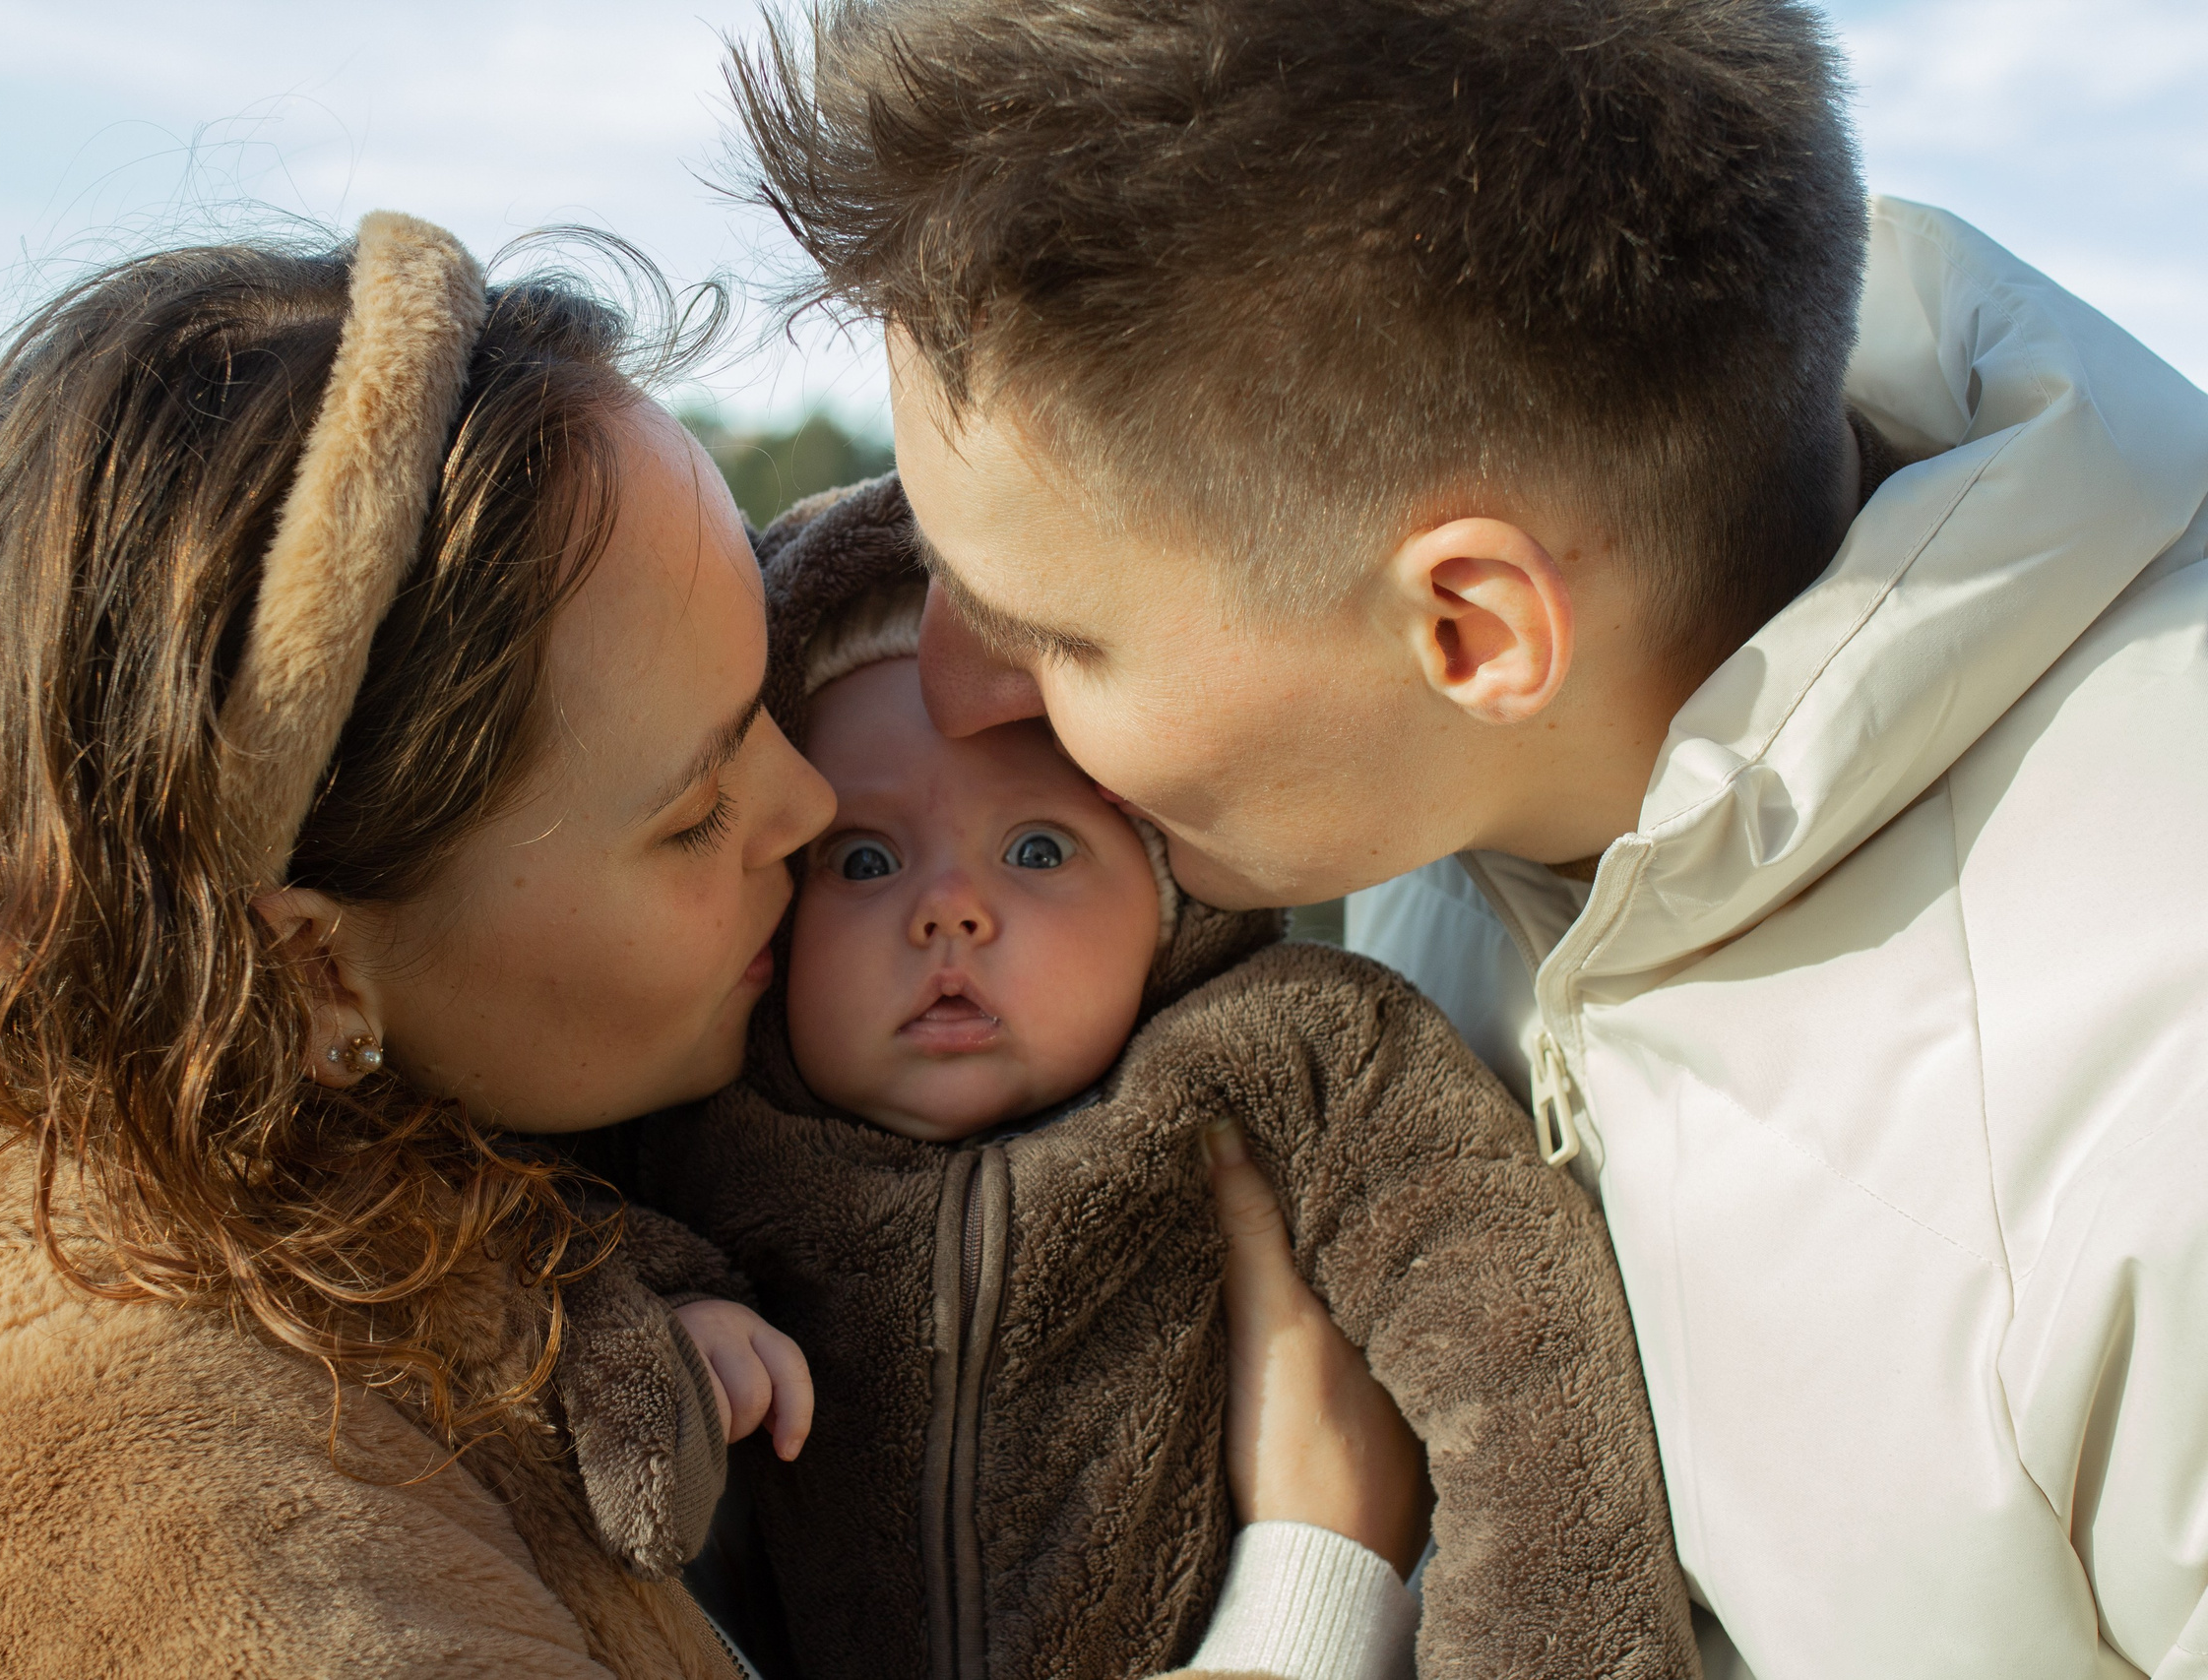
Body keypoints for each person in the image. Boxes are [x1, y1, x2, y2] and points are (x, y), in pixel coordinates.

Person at [0, 213, 1427, 1679]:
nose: (813, 803)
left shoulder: (325, 1161)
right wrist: (1314, 1571)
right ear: (314, 971)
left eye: (770, 698)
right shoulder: (130, 1519)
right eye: (693, 808)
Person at [732, 2, 2208, 1676]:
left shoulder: (2155, 1122)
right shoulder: (1445, 778)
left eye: (1059, 635)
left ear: (1473, 633)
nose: (950, 689)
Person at [632, 487, 1693, 1680]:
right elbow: (542, 1251)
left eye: (1038, 849)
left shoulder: (1295, 1059)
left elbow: (1521, 1353)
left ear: (1168, 891)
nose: (949, 909)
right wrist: (650, 1312)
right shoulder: (697, 1136)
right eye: (863, 859)